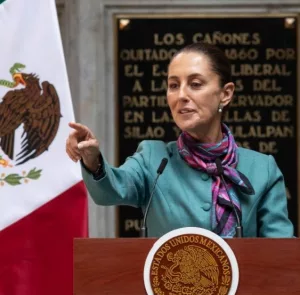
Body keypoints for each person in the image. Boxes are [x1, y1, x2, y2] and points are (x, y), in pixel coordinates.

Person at [66, 42, 294, 238]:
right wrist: (93, 161)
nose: (182, 95)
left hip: (244, 289)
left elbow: (280, 253)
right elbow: (110, 191)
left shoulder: (263, 169)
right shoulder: (153, 159)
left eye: (195, 84)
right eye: (174, 85)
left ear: (226, 93)